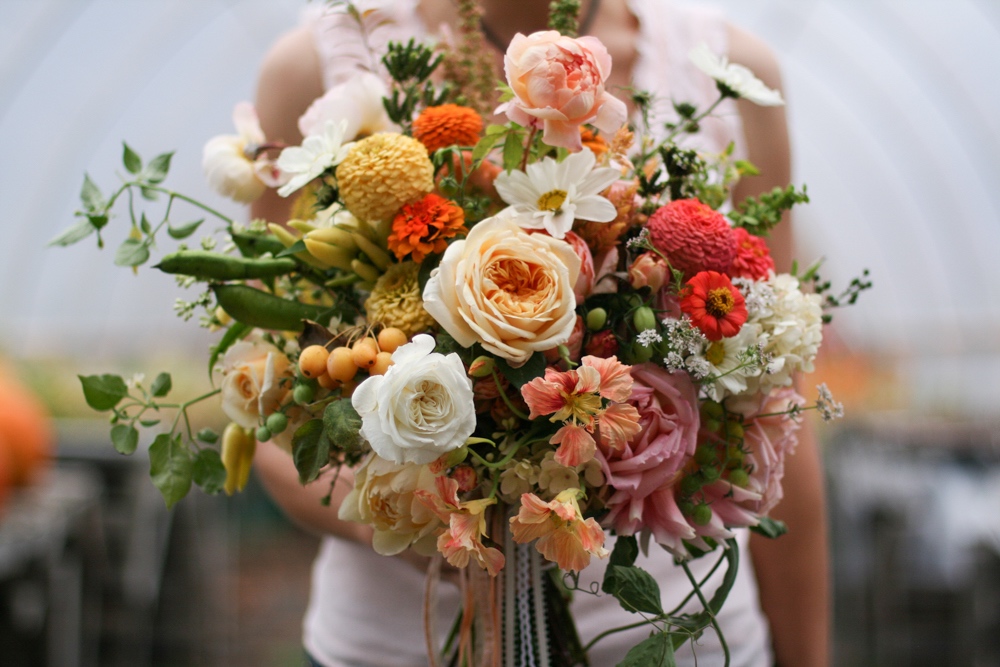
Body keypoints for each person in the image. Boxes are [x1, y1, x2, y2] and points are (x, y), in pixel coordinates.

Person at [251, 1, 830, 665]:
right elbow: (265, 409)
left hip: (684, 641)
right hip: (400, 645)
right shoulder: (318, 65)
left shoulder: (736, 73)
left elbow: (782, 403)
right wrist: (426, 524)